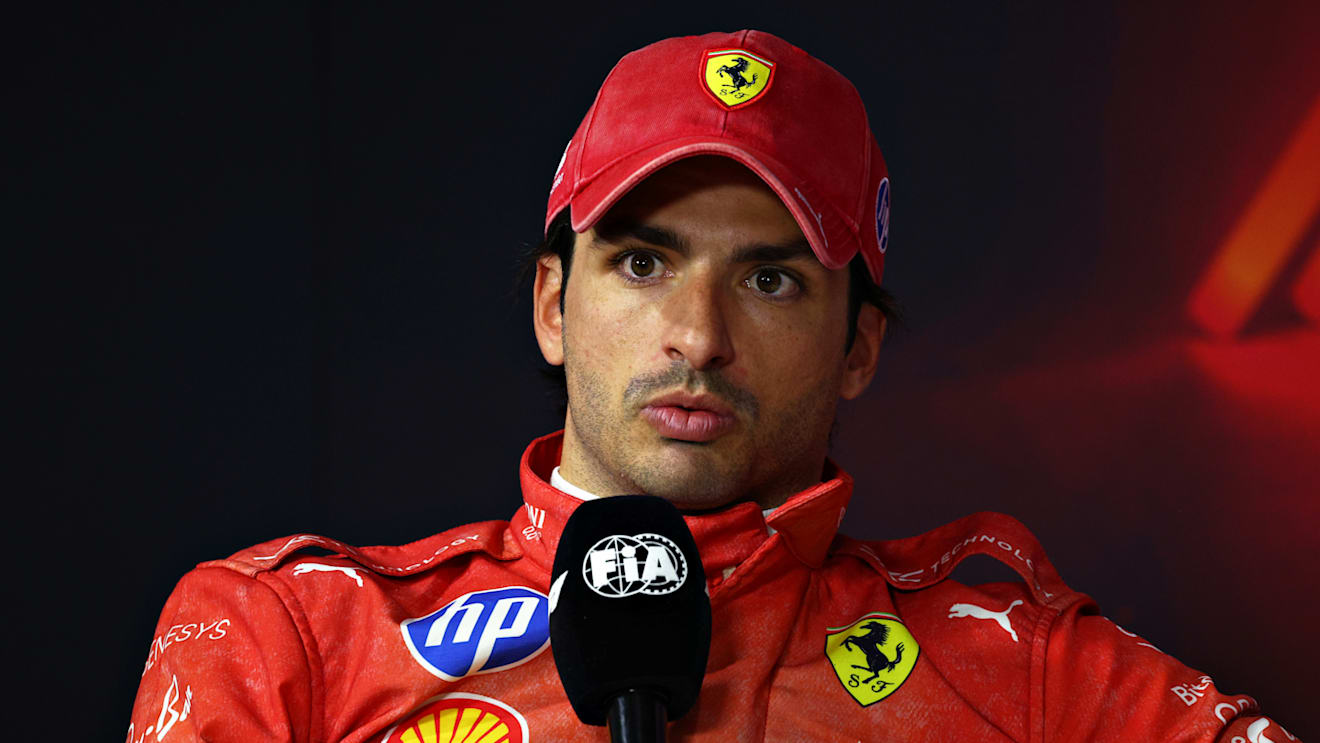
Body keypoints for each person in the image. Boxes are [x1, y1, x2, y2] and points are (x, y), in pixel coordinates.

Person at [128, 30, 1296, 742]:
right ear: (551, 303)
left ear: (859, 349)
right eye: (643, 262)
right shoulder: (288, 636)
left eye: (774, 281)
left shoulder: (1022, 670)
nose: (697, 335)